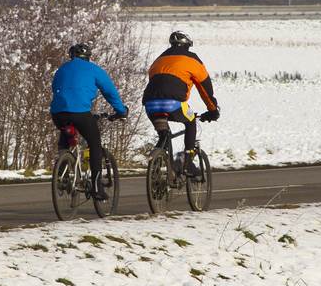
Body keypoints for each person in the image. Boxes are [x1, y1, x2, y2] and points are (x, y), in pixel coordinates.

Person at [51, 43, 128, 200]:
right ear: (88, 57)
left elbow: (56, 89)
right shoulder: (93, 69)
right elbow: (110, 92)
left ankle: (62, 172)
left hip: (58, 113)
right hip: (80, 113)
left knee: (66, 136)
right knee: (94, 144)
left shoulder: (61, 69)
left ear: (71, 56)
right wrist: (121, 111)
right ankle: (96, 186)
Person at [142, 31, 220, 176]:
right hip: (174, 104)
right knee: (191, 121)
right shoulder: (192, 59)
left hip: (150, 105)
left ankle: (156, 165)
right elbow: (205, 88)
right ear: (187, 45)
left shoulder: (159, 59)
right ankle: (188, 163)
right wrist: (213, 110)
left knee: (164, 135)